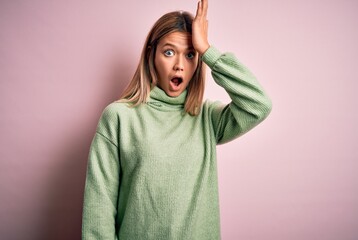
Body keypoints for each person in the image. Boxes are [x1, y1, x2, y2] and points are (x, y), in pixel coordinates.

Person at [82, 0, 272, 239]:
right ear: (152, 55)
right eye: (169, 52)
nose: (179, 66)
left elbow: (259, 104)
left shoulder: (207, 119)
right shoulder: (119, 117)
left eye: (190, 55)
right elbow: (99, 208)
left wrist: (207, 51)